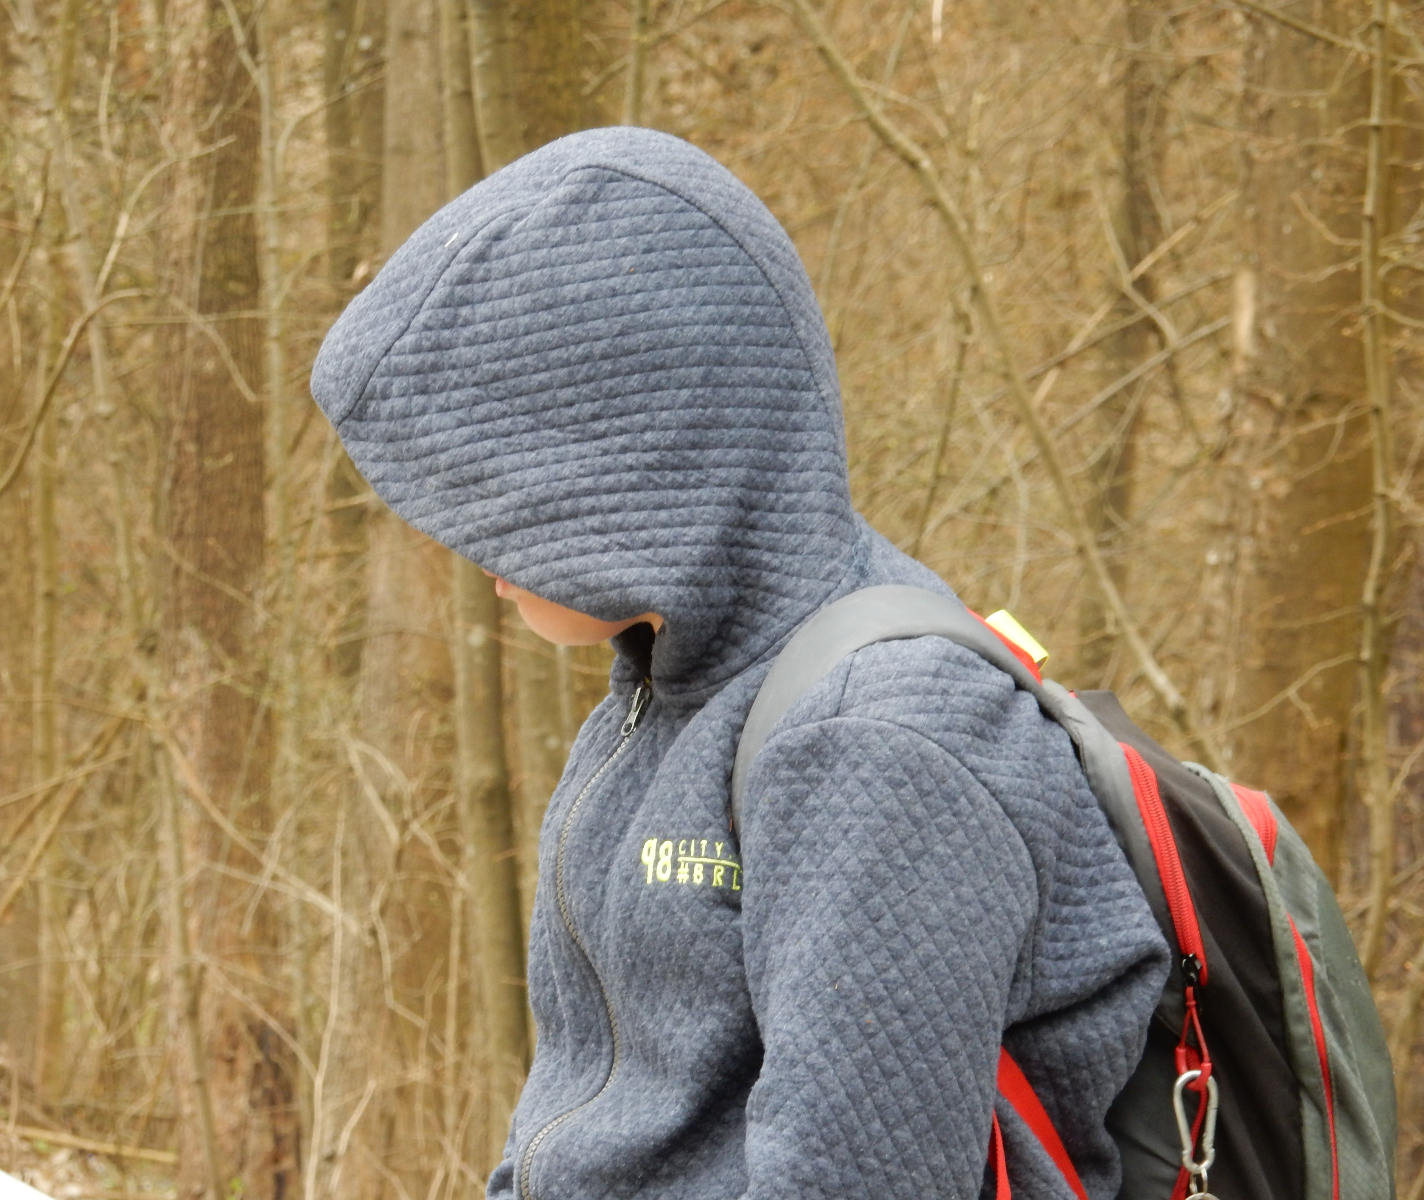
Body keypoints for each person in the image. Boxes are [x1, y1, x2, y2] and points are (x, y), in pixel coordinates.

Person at [311, 126, 1168, 1200]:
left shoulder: (876, 741)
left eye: (508, 493)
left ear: (650, 457)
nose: (476, 548)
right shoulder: (673, 682)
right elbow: (593, 1125)